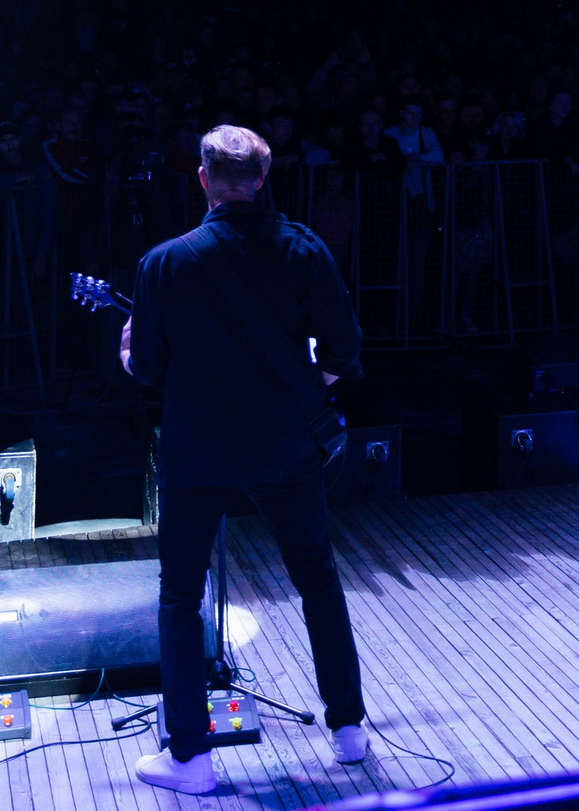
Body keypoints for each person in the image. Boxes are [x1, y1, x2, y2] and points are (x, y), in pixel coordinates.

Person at [121, 125, 370, 794]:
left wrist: (127, 353)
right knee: (317, 578)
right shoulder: (303, 250)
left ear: (203, 178)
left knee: (180, 598)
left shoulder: (165, 264)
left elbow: (146, 370)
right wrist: (306, 380)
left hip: (198, 451)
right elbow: (346, 354)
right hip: (286, 448)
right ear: (262, 178)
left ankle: (192, 759)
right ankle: (347, 729)